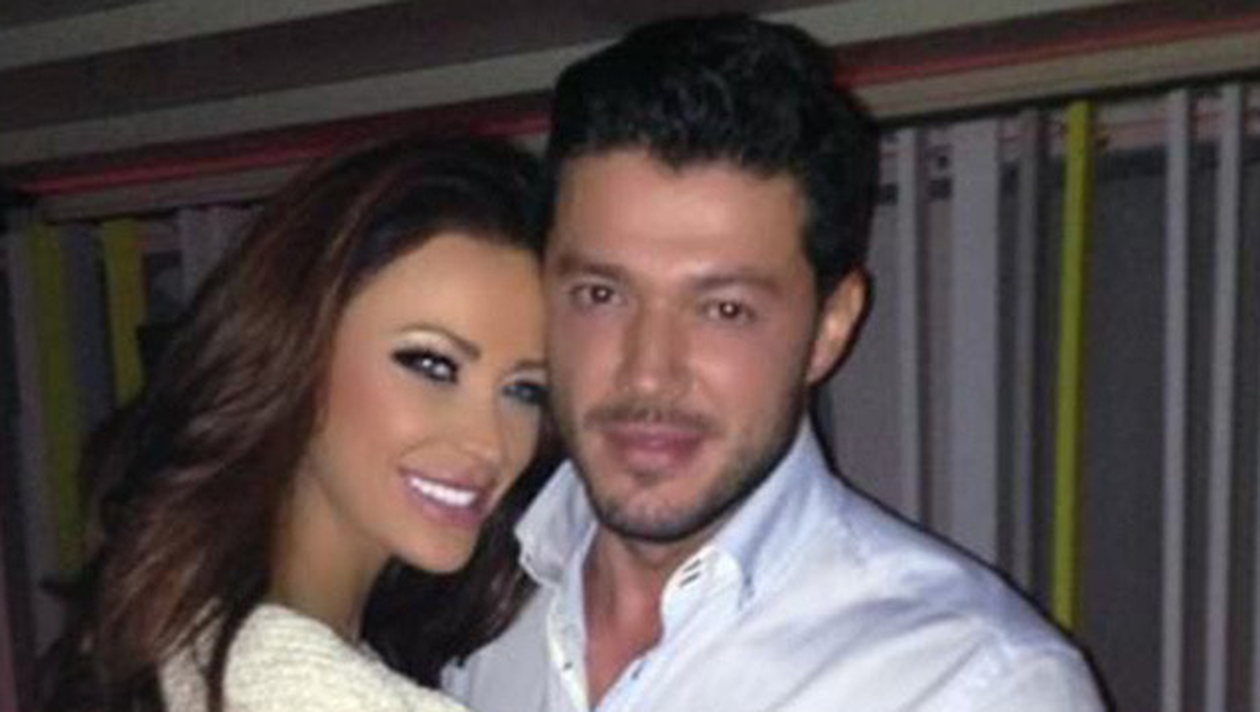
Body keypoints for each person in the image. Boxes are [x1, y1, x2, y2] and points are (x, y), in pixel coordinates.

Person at [442, 14, 1108, 711]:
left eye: (724, 309)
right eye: (602, 294)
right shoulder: (454, 600)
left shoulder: (977, 685)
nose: (648, 372)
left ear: (830, 327)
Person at [39, 136, 556, 711]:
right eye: (432, 365)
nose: (489, 442)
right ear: (296, 355)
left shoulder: (194, 645)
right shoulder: (310, 694)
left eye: (525, 389)